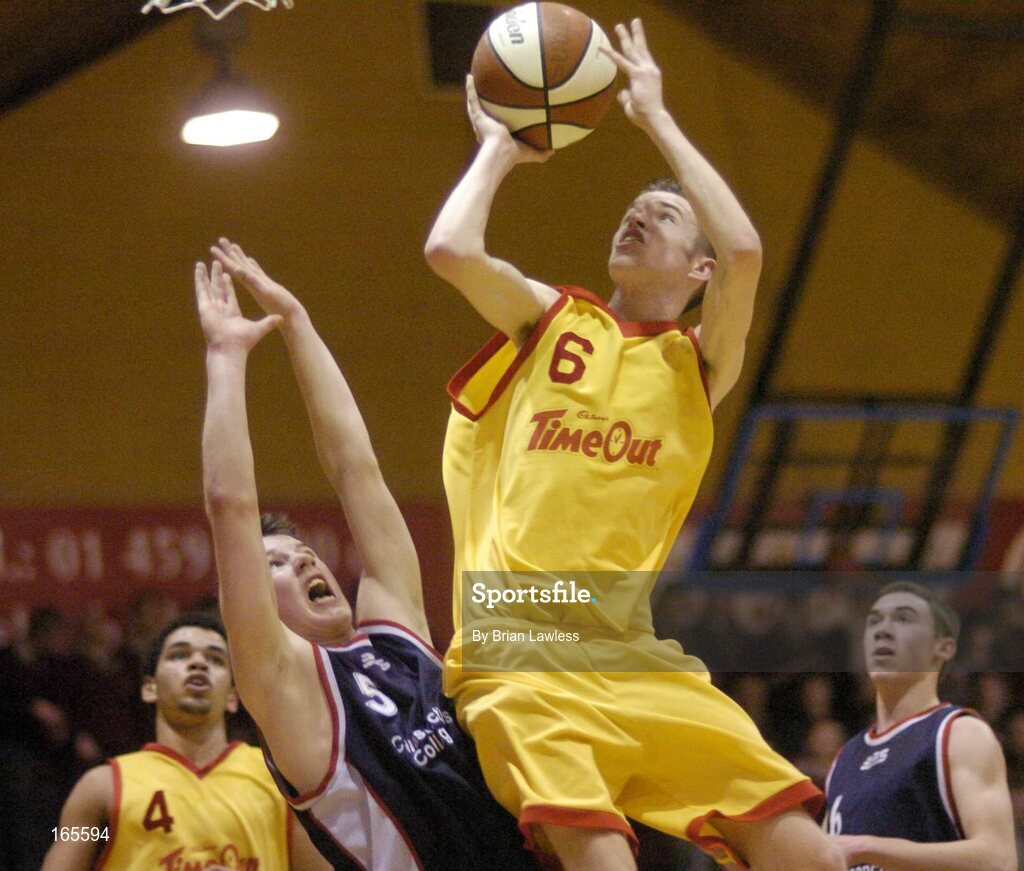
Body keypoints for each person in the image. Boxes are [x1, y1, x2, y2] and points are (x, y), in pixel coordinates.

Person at [424, 17, 846, 871]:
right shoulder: (554, 319)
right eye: (633, 210)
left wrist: (655, 115)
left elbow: (745, 248)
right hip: (517, 646)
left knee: (816, 858)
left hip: (631, 653)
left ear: (699, 273)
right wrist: (499, 149)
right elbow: (450, 248)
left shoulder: (697, 365)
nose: (637, 218)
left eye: (662, 215)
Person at [198, 242, 540, 870]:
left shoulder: (395, 638)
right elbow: (230, 508)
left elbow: (357, 470)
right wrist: (226, 356)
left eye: (304, 552)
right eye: (275, 564)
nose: (305, 562)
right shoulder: (289, 692)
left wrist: (297, 323)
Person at [41, 612, 326, 870]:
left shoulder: (280, 779)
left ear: (233, 697)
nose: (199, 663)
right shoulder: (99, 788)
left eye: (216, 659)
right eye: (179, 655)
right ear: (150, 688)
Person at [825, 581, 1017, 870]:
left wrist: (868, 848)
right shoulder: (845, 758)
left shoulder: (959, 733)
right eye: (874, 621)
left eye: (903, 619)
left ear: (943, 647)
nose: (882, 630)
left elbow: (999, 861)